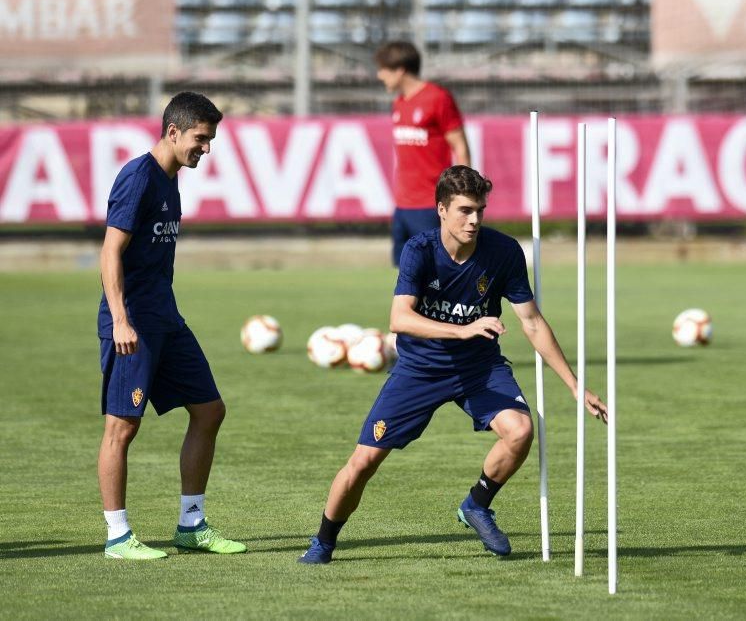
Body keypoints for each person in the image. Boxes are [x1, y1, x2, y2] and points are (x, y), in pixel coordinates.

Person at [298, 166, 607, 564]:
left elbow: (531, 321)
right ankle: (323, 541)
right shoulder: (420, 250)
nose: (475, 219)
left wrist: (574, 385)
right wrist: (463, 330)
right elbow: (400, 319)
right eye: (464, 210)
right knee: (363, 462)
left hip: (480, 368)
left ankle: (477, 505)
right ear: (441, 209)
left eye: (480, 210)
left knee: (520, 431)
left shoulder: (503, 252)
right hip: (419, 370)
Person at [97, 91, 246, 559]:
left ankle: (191, 523)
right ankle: (118, 536)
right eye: (200, 139)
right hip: (134, 325)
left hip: (166, 319)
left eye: (211, 140)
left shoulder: (170, 177)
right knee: (122, 427)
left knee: (210, 410)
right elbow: (109, 252)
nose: (207, 148)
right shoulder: (139, 178)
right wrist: (121, 320)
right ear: (173, 131)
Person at [375, 40, 471, 266]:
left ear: (400, 70)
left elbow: (461, 146)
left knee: (438, 271)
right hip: (402, 205)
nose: (379, 75)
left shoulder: (438, 98)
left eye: (383, 70)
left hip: (431, 203)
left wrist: (463, 194)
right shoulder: (399, 103)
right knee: (405, 274)